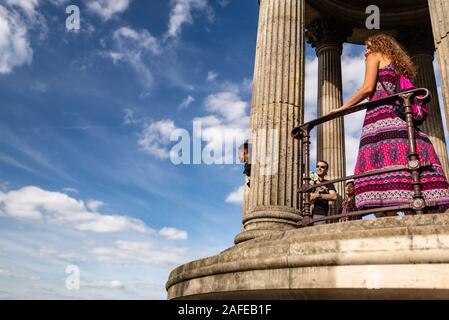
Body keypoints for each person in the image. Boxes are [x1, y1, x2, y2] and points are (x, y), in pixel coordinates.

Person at [330, 34, 449, 214]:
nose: (365, 52)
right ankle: (412, 213)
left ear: (378, 46)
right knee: (405, 162)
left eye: (367, 47)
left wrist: (342, 108)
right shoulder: (396, 64)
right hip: (398, 119)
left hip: (379, 117)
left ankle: (390, 214)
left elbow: (367, 88)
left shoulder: (374, 56)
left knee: (381, 166)